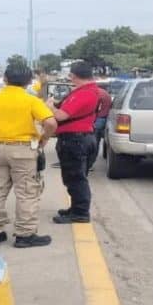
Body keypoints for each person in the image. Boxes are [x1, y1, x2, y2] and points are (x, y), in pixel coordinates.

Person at [0, 63, 58, 248]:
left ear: (5, 78)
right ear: (28, 82)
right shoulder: (31, 100)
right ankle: (24, 235)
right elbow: (51, 123)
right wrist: (43, 139)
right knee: (27, 192)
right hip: (23, 150)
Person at [46, 61, 100, 224]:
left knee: (75, 177)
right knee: (76, 176)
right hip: (82, 137)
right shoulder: (90, 91)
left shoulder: (84, 93)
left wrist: (50, 107)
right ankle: (76, 208)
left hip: (75, 139)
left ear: (73, 76)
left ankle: (80, 212)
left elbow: (62, 116)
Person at [88, 84, 112, 170]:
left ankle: (89, 163)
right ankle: (90, 163)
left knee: (91, 142)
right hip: (104, 119)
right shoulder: (107, 94)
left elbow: (94, 108)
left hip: (97, 119)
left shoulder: (98, 93)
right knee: (96, 142)